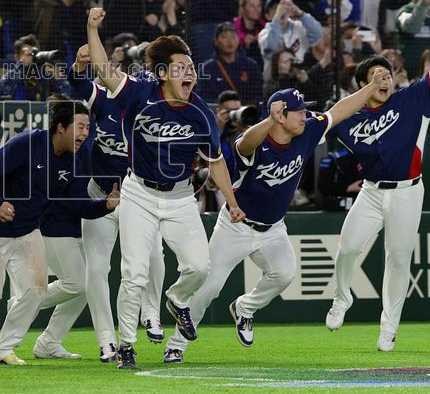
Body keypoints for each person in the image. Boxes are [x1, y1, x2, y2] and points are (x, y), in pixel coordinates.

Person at [163, 75, 387, 362]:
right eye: (299, 111)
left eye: (305, 110)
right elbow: (243, 144)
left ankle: (244, 308)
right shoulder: (258, 140)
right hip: (236, 226)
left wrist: (370, 88)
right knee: (209, 287)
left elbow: (339, 111)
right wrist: (269, 120)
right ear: (280, 115)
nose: (305, 115)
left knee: (284, 273)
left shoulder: (307, 131)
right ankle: (177, 345)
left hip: (273, 228)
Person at [84, 7, 245, 369]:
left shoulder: (201, 112)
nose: (189, 72)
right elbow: (104, 71)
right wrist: (92, 29)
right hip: (139, 194)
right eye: (180, 67)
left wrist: (232, 202)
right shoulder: (140, 93)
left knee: (199, 267)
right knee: (134, 273)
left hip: (181, 196)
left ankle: (176, 299)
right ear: (161, 73)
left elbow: (216, 161)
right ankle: (126, 345)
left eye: (191, 67)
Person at [0, 97, 120, 365]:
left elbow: (77, 203)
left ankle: (2, 347)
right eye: (80, 127)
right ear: (61, 127)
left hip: (27, 230)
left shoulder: (74, 159)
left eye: (88, 127)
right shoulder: (27, 143)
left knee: (36, 292)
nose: (85, 133)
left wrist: (104, 206)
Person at [325, 34, 430, 352]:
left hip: (408, 192)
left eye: (387, 74)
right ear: (362, 86)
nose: (385, 79)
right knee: (347, 247)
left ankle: (389, 327)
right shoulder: (349, 120)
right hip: (371, 192)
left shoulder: (412, 99)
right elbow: (324, 123)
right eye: (376, 75)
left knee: (398, 259)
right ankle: (342, 298)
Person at [67, 45, 167, 362]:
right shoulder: (103, 100)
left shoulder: (155, 110)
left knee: (154, 255)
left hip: (137, 196)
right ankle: (106, 340)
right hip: (99, 193)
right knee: (97, 268)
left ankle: (151, 313)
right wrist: (78, 64)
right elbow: (77, 82)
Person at [199, 22, 263, 104]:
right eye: (224, 37)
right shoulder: (206, 68)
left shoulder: (251, 65)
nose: (229, 41)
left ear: (238, 39)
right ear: (216, 41)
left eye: (233, 36)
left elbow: (258, 95)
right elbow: (204, 97)